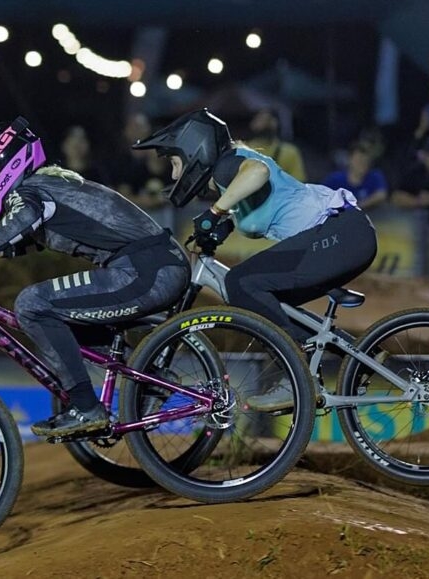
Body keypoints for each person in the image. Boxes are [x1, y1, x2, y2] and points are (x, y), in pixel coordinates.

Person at [0, 117, 190, 436]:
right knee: (66, 320)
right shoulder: (48, 186)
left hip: (146, 271)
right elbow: (25, 239)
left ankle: (87, 407)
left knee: (32, 303)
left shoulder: (30, 191)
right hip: (152, 266)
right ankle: (154, 380)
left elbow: (26, 218)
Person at [133, 109, 377, 412]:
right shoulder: (229, 175)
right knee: (267, 306)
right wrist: (224, 223)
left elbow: (257, 174)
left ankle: (297, 378)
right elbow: (266, 201)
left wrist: (216, 212)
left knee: (240, 282)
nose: (173, 175)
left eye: (174, 162)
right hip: (346, 236)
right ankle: (363, 357)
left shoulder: (227, 164)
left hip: (340, 234)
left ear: (194, 149)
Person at [322, 142, 388, 210]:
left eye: (365, 161)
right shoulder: (335, 180)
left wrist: (358, 206)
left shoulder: (375, 176)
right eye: (359, 161)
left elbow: (381, 195)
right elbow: (321, 199)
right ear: (349, 160)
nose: (362, 165)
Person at [246, 108, 307, 180]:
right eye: (261, 119)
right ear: (252, 123)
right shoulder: (242, 151)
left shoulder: (290, 152)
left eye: (269, 119)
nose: (266, 122)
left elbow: (298, 182)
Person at [106, 112, 153, 197]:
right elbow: (123, 194)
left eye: (140, 127)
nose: (136, 131)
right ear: (126, 131)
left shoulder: (159, 156)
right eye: (132, 127)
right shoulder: (120, 161)